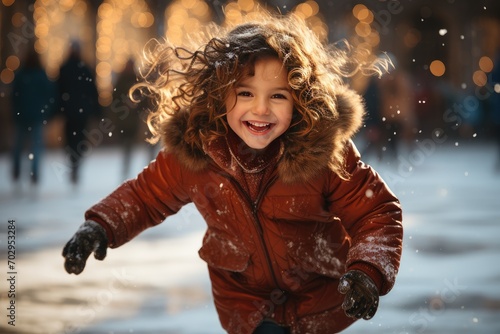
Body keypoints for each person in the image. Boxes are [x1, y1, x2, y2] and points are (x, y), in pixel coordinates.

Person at [62, 12, 403, 334]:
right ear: (220, 95)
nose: (261, 108)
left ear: (299, 100)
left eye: (278, 96)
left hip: (321, 299)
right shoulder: (197, 153)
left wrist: (367, 272)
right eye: (245, 93)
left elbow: (376, 212)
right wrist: (101, 225)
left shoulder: (324, 154)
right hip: (247, 304)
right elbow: (145, 195)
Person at [11, 46, 57, 184]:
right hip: (37, 115)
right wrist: (47, 112)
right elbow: (50, 95)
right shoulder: (41, 76)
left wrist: (16, 111)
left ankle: (17, 170)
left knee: (19, 145)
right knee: (36, 146)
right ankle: (34, 173)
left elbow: (14, 96)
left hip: (23, 115)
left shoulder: (21, 75)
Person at [57, 41, 100, 184]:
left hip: (70, 111)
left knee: (72, 139)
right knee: (78, 139)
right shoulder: (84, 68)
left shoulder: (65, 68)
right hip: (80, 111)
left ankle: (74, 162)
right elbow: (92, 91)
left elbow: (59, 91)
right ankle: (75, 163)